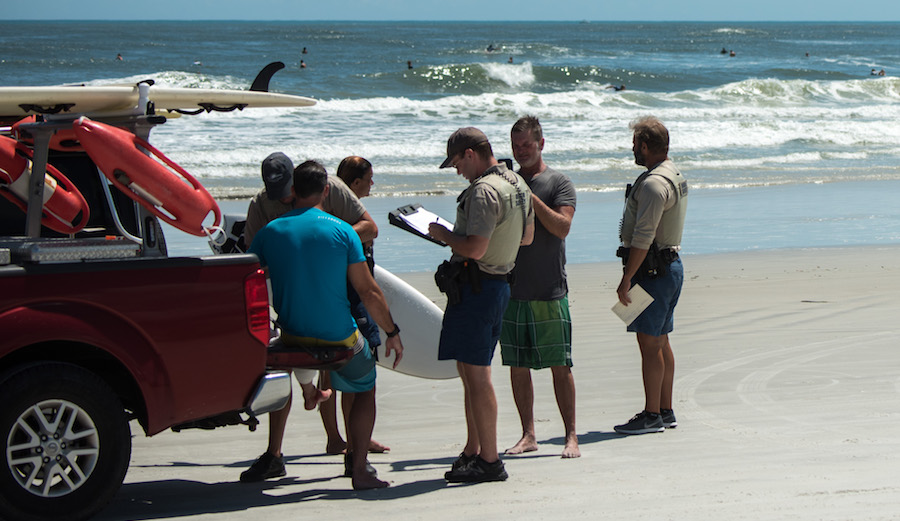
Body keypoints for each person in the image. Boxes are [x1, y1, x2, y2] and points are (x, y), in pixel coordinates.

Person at [239, 160, 403, 490]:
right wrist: (392, 332)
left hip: (292, 336)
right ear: (326, 191)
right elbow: (368, 292)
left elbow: (248, 277)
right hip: (338, 338)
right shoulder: (343, 232)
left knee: (285, 368)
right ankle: (358, 467)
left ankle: (277, 451)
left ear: (292, 191)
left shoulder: (270, 233)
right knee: (364, 381)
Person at [429, 127, 535, 483]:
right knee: (472, 373)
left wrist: (444, 234)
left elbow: (474, 249)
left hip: (477, 287)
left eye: (457, 163)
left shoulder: (484, 190)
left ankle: (489, 460)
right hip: (498, 284)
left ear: (471, 154)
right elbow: (527, 237)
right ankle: (474, 449)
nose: (458, 171)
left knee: (476, 377)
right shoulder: (517, 183)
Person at [500, 116, 579, 459]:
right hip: (512, 289)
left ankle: (571, 436)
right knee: (517, 366)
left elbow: (562, 227)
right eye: (515, 146)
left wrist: (529, 197)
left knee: (560, 365)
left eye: (527, 145)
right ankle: (528, 435)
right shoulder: (506, 183)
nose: (521, 151)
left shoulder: (558, 182)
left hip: (549, 289)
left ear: (541, 143)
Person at [613, 116, 688, 435]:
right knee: (660, 339)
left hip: (653, 271)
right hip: (669, 267)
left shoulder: (654, 184)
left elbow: (643, 237)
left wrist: (626, 278)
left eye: (634, 144)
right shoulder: (673, 174)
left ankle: (652, 414)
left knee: (649, 342)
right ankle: (665, 410)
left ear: (644, 146)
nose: (632, 149)